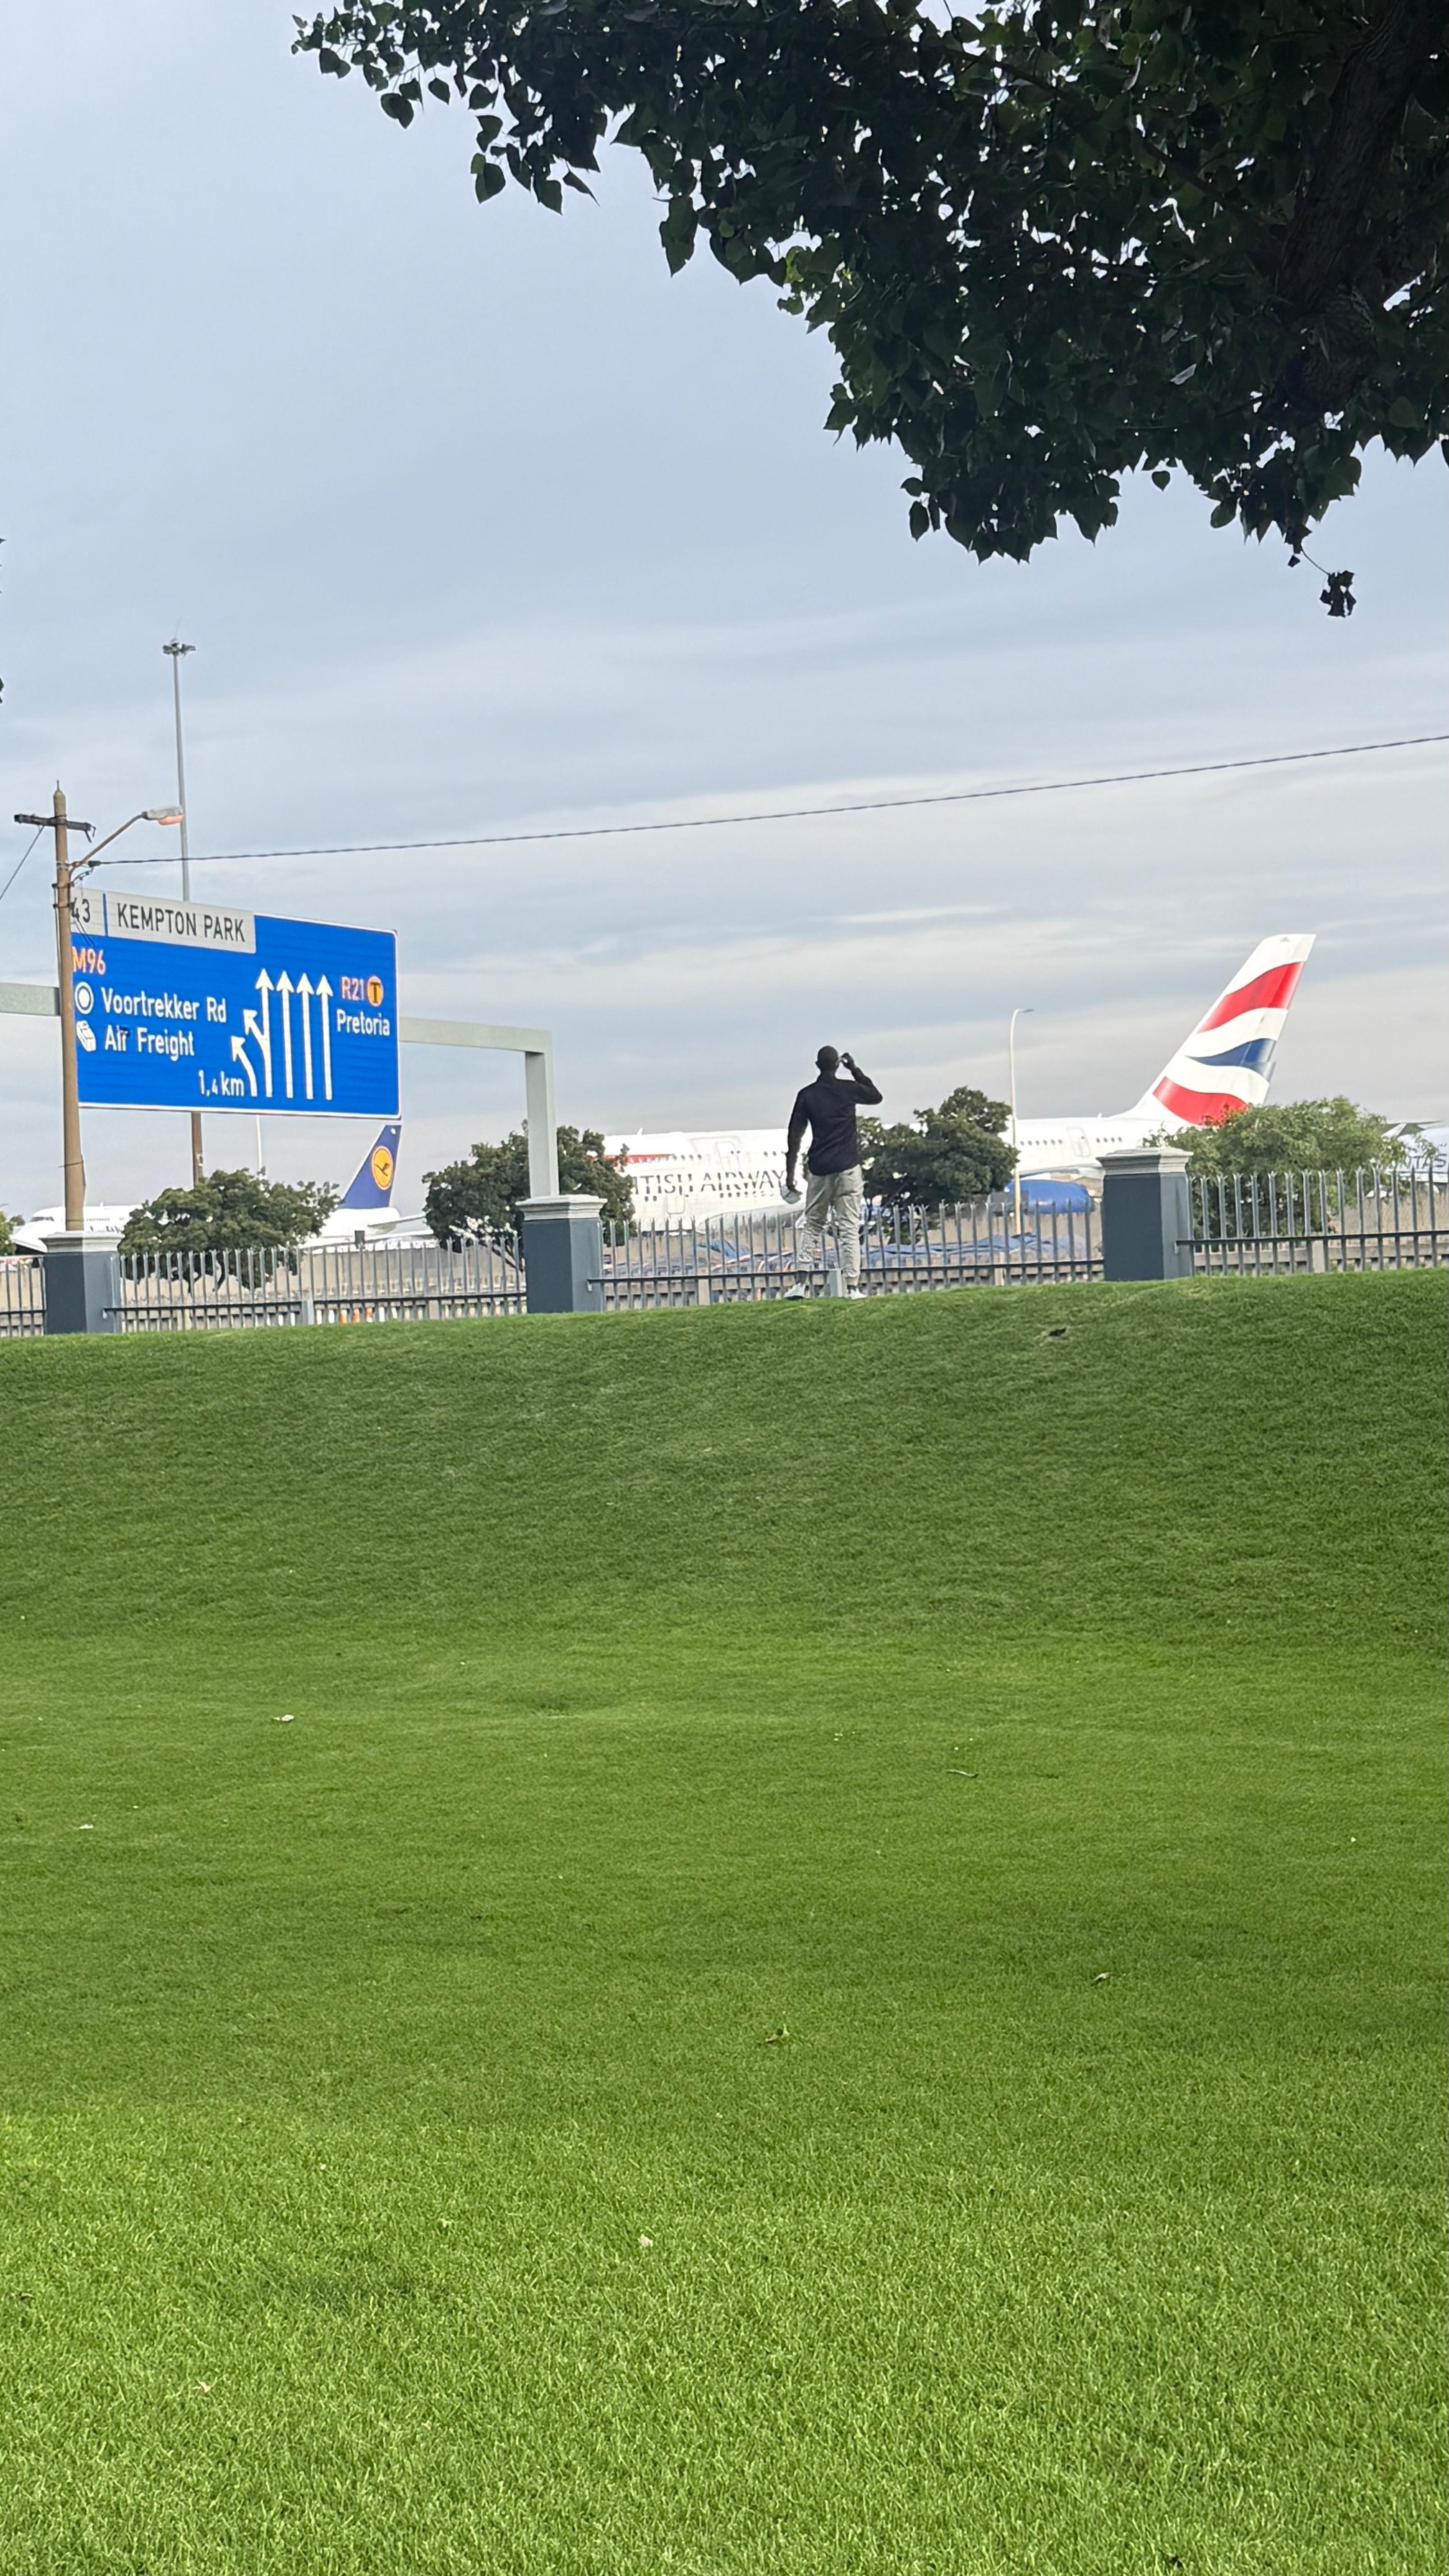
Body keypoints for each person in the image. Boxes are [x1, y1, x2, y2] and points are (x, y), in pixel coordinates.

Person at [782, 1045, 882, 1297]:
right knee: (849, 1227)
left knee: (814, 1225)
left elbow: (794, 1138)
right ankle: (852, 1286)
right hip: (848, 1167)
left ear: (817, 1065)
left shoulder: (807, 1095)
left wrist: (790, 1174)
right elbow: (875, 1096)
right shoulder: (848, 1090)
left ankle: (801, 1283)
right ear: (837, 1065)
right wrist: (855, 1070)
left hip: (820, 1168)